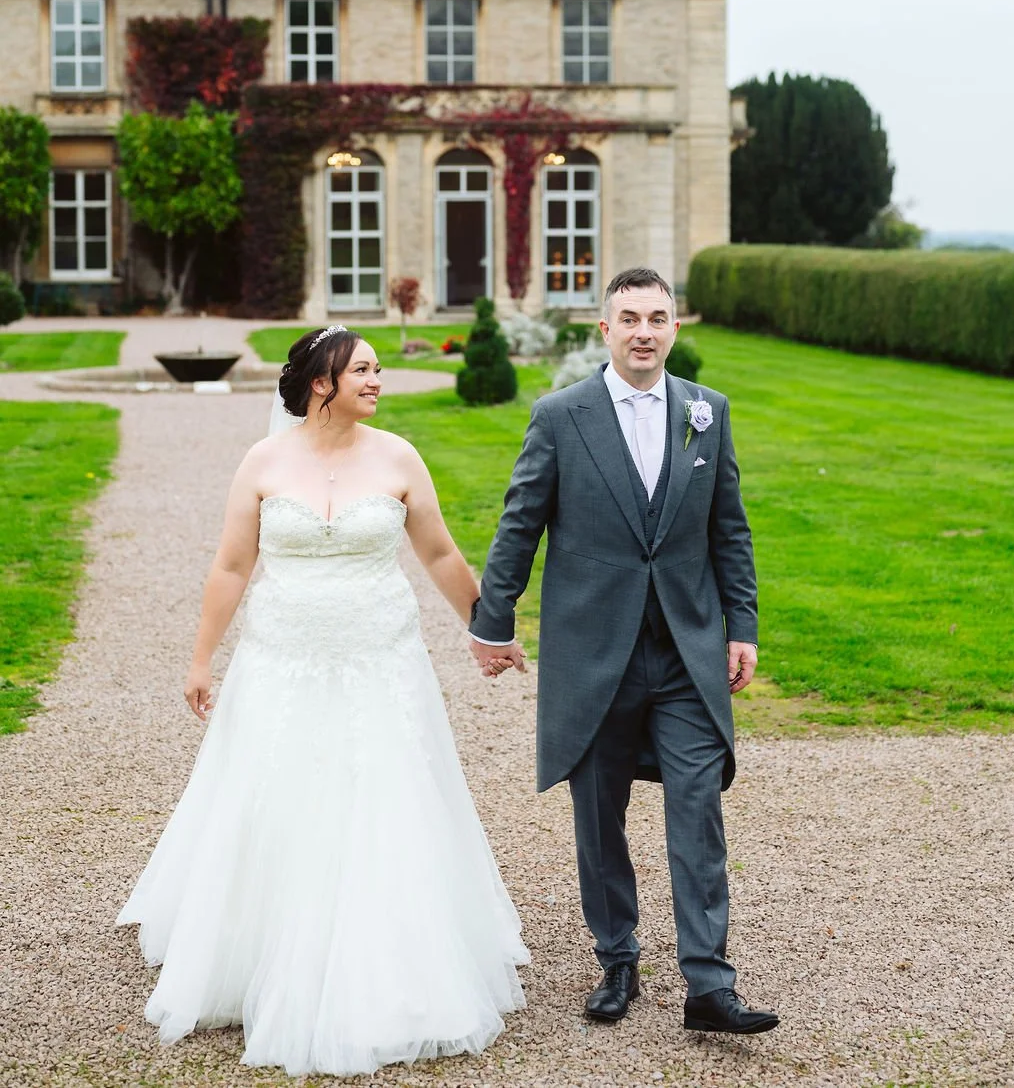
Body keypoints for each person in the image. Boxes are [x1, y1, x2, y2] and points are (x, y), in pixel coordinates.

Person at [118, 325, 529, 1078]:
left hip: (381, 659)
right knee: (277, 796)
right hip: (283, 659)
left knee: (385, 796)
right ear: (321, 383)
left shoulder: (399, 457)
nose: (378, 380)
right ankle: (261, 954)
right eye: (364, 370)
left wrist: (487, 629)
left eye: (378, 369)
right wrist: (202, 656)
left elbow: (439, 552)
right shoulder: (264, 461)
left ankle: (392, 960)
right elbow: (232, 564)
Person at [468, 268, 779, 1035]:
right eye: (630, 317)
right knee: (598, 812)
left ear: (676, 328)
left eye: (659, 317)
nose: (645, 330)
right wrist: (492, 621)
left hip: (686, 650)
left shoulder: (710, 413)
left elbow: (729, 530)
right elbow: (520, 526)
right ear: (603, 329)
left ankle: (709, 984)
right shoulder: (560, 416)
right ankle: (618, 957)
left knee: (698, 810)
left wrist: (741, 625)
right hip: (593, 651)